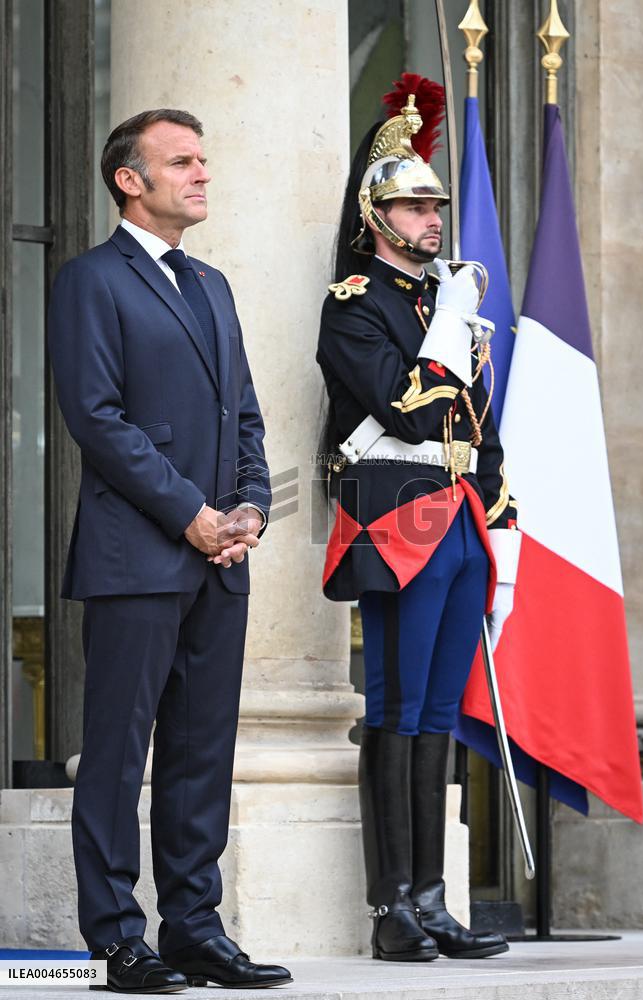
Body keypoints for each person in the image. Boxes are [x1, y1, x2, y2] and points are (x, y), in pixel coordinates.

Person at [48, 109, 291, 992]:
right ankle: (118, 938)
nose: (202, 174)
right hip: (136, 557)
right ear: (130, 179)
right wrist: (192, 513)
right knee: (117, 756)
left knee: (201, 755)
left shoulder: (213, 285)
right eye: (181, 161)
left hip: (220, 561)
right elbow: (97, 419)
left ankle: (194, 929)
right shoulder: (90, 280)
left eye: (202, 160)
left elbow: (245, 415)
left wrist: (251, 509)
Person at [317, 75, 520, 962]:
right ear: (376, 216)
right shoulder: (356, 305)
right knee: (396, 707)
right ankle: (390, 906)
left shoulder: (444, 305)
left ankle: (433, 898)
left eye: (436, 206)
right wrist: (450, 326)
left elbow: (477, 423)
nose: (432, 219)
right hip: (396, 518)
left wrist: (503, 515)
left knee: (439, 709)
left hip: (461, 520)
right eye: (412, 206)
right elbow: (405, 410)